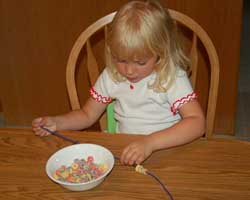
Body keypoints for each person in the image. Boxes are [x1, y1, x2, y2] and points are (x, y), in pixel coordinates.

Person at [32, 0, 205, 166]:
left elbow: (197, 122)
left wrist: (149, 143)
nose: (129, 71)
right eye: (120, 59)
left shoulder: (172, 77)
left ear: (161, 52)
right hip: (125, 151)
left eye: (140, 62)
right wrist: (57, 122)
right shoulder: (112, 76)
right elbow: (87, 115)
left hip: (169, 150)